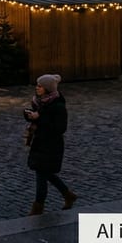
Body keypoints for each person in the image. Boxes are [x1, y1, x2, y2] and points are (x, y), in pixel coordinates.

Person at [24, 74, 77, 216]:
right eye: (37, 85)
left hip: (51, 144)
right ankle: (67, 194)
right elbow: (38, 117)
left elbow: (60, 128)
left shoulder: (58, 106)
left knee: (41, 174)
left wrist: (40, 118)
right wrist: (29, 115)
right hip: (40, 142)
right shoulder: (39, 102)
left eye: (40, 86)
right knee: (45, 173)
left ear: (47, 89)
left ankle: (38, 207)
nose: (37, 88)